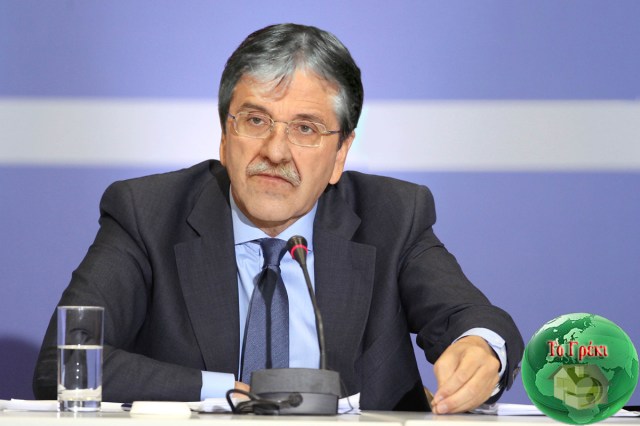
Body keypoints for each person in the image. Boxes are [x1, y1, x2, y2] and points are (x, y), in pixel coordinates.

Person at [33, 23, 523, 413]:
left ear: (340, 154)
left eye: (305, 129)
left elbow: (472, 318)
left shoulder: (391, 216)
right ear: (224, 136)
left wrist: (480, 350)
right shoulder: (146, 212)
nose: (275, 151)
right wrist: (232, 393)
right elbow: (66, 363)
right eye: (255, 120)